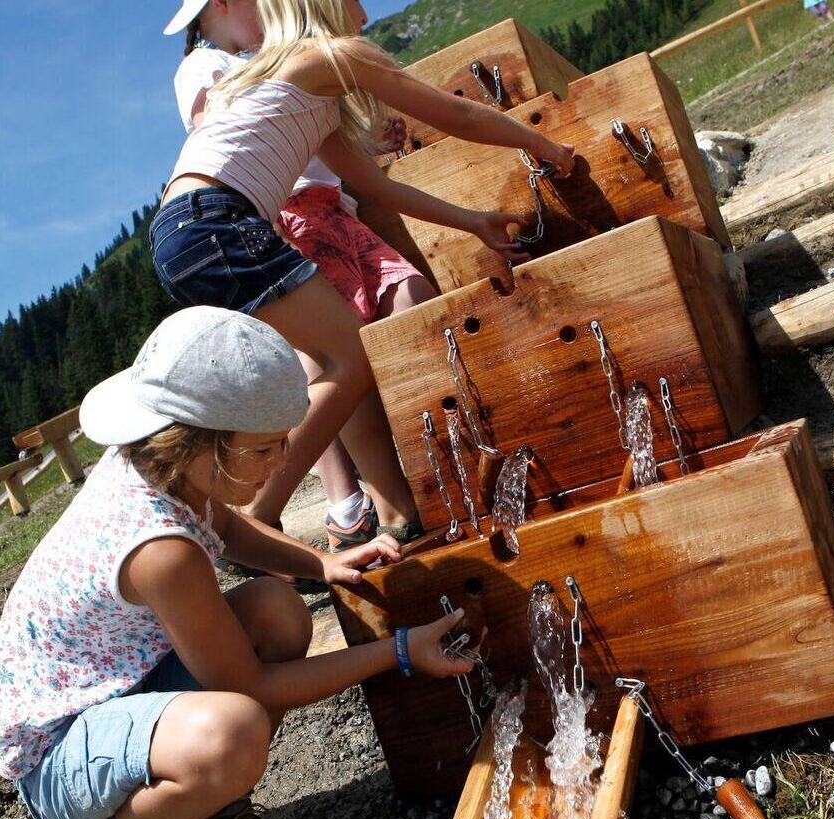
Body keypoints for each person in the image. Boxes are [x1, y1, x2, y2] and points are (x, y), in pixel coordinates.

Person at [0, 307, 475, 819]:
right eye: (266, 449)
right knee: (233, 732)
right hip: (59, 749)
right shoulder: (160, 550)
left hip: (122, 684)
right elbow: (256, 686)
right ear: (198, 442)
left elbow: (229, 526)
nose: (283, 461)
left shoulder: (165, 465)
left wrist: (320, 562)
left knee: (278, 609)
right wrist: (398, 650)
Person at [149, 0, 574, 559]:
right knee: (348, 356)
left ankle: (267, 508)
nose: (368, 15)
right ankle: (250, 516)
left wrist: (472, 222)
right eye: (355, 1)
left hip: (184, 229)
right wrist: (541, 144)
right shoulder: (329, 56)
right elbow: (458, 116)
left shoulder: (302, 91)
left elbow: (379, 189)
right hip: (219, 221)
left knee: (337, 357)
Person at [168, 0, 439, 553]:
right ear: (219, 5)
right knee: (339, 360)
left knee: (356, 346)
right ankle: (263, 514)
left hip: (310, 209)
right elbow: (229, 137)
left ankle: (385, 496)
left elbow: (303, 140)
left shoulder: (256, 62)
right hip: (275, 215)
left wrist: (361, 142)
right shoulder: (205, 65)